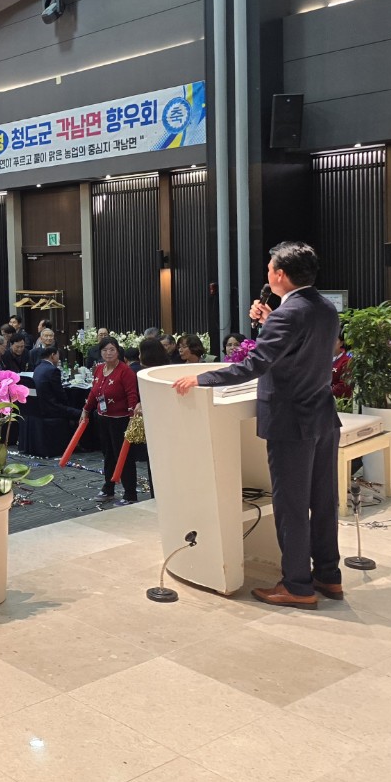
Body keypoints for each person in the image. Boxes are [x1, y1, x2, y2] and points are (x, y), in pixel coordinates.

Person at [173, 241, 342, 610]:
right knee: (323, 501)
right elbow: (301, 349)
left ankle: (297, 585)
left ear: (279, 274)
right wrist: (270, 320)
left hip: (290, 421)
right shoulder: (324, 307)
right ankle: (328, 574)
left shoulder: (288, 314)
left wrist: (203, 378)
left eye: (269, 268)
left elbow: (254, 365)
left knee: (291, 505)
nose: (267, 273)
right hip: (322, 415)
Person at [87, 337, 141, 504]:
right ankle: (108, 488)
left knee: (124, 456)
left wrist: (132, 418)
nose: (108, 353)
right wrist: (86, 410)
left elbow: (132, 395)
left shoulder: (125, 371)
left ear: (118, 351)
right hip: (103, 418)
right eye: (105, 350)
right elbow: (94, 392)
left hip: (121, 420)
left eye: (112, 349)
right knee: (108, 455)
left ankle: (130, 494)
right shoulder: (99, 369)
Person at [29, 345, 80, 458]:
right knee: (80, 413)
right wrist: (68, 405)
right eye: (58, 356)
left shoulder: (38, 368)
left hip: (39, 406)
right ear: (52, 355)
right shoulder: (53, 370)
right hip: (51, 408)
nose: (59, 358)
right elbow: (60, 394)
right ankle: (78, 444)